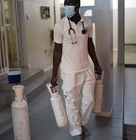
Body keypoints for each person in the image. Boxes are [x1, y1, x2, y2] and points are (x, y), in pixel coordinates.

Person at [50, 0, 102, 139]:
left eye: (70, 3)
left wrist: (96, 64)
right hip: (69, 71)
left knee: (89, 100)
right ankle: (76, 131)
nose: (67, 6)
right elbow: (57, 51)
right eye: (66, 3)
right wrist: (54, 74)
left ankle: (82, 123)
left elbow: (90, 44)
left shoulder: (87, 22)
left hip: (86, 68)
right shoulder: (59, 25)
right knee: (71, 102)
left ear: (78, 5)